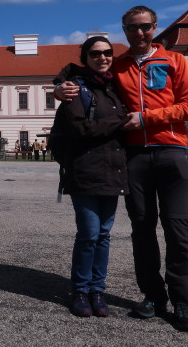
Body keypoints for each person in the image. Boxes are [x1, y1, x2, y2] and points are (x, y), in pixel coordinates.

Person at [55, 6, 188, 331]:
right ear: (124, 30)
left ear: (154, 27)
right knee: (142, 229)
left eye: (145, 26)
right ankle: (153, 295)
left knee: (178, 229)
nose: (139, 33)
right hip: (134, 157)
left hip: (172, 152)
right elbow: (79, 73)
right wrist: (58, 88)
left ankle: (183, 301)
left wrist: (147, 118)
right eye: (132, 28)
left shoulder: (175, 61)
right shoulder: (117, 66)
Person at [54, 36, 129, 318]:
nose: (102, 58)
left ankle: (98, 289)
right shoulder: (75, 88)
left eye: (107, 53)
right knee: (89, 234)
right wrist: (121, 121)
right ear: (85, 57)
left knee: (104, 235)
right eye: (96, 54)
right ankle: (81, 290)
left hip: (113, 171)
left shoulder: (115, 86)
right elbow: (80, 129)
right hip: (84, 171)